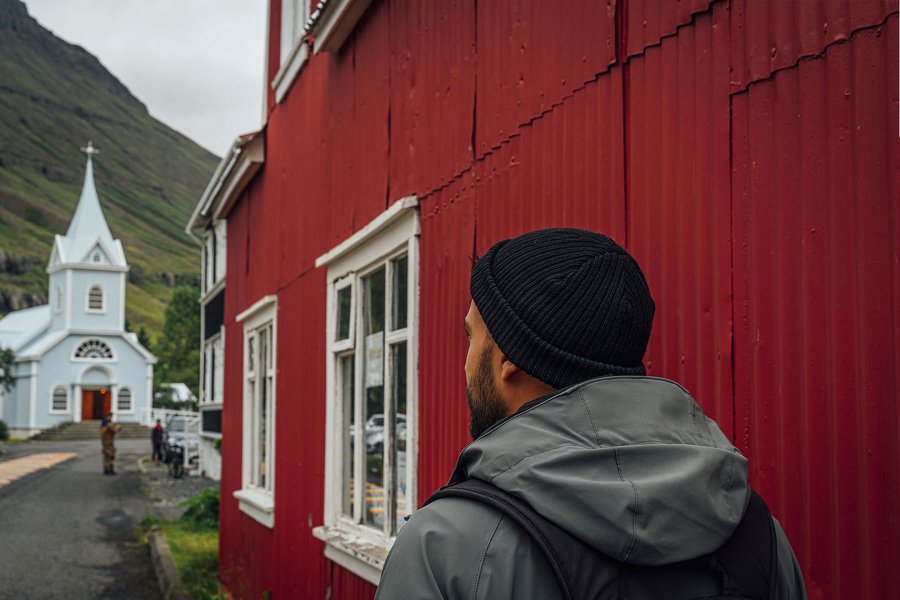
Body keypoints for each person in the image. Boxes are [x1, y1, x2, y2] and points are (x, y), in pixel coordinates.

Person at [376, 229, 806, 599]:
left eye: (472, 337)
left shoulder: (445, 548)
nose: (467, 361)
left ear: (506, 358)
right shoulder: (758, 536)